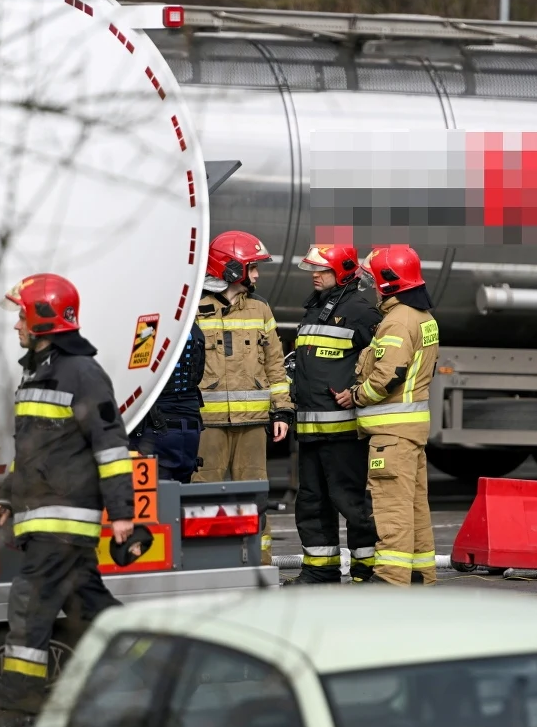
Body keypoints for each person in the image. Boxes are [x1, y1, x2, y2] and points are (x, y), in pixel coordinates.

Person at [0, 273, 135, 727]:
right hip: (44, 515)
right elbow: (37, 450)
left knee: (30, 608)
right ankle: (148, 670)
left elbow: (112, 447)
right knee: (90, 608)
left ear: (43, 318)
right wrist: (7, 496)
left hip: (64, 519)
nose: (16, 323)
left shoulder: (82, 374)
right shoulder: (39, 370)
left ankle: (15, 708)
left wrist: (123, 514)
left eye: (22, 314)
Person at [335, 245, 439, 586]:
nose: (370, 285)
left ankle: (391, 581)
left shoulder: (397, 321)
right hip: (411, 432)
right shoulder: (423, 317)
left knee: (391, 508)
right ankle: (420, 574)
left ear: (389, 281)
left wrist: (356, 396)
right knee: (414, 509)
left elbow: (388, 375)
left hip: (391, 435)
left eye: (373, 278)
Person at [192, 230, 294, 565]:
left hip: (252, 423)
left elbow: (275, 363)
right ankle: (206, 564)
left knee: (254, 498)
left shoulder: (260, 308)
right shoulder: (194, 307)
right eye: (252, 268)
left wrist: (282, 411)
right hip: (208, 424)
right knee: (203, 496)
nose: (257, 275)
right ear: (231, 269)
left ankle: (258, 564)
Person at [285, 244, 382, 585]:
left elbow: (383, 364)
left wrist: (358, 394)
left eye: (322, 270)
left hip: (345, 433)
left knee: (352, 503)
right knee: (312, 503)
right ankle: (319, 571)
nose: (315, 274)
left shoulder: (361, 312)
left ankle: (366, 571)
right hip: (310, 430)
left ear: (341, 271)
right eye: (313, 268)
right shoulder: (315, 308)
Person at [128, 320, 205, 482]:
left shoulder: (148, 327)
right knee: (180, 495)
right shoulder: (193, 327)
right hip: (190, 427)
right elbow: (198, 375)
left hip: (158, 426)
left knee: (156, 497)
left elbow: (137, 375)